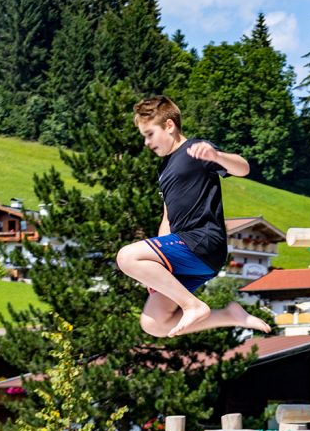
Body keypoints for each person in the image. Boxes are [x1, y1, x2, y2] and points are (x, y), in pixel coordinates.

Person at [116, 95, 272, 338]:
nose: (146, 143)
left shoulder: (194, 150)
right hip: (187, 253)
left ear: (169, 125)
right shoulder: (164, 168)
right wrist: (157, 268)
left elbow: (243, 167)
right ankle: (229, 316)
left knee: (126, 256)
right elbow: (168, 218)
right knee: (153, 323)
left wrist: (217, 157)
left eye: (149, 134)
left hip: (201, 242)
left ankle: (193, 305)